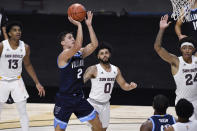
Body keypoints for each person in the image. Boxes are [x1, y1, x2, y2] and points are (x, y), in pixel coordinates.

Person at [53, 11, 102, 131]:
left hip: (79, 97)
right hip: (65, 99)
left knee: (98, 125)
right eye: (70, 38)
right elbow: (78, 45)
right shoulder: (63, 55)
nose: (73, 39)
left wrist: (89, 25)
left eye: (73, 37)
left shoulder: (79, 53)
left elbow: (95, 44)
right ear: (62, 43)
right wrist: (79, 25)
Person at [0, 21, 45, 131]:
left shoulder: (25, 47)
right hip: (2, 81)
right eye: (15, 30)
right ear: (9, 33)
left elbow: (28, 65)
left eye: (19, 30)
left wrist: (37, 83)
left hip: (17, 81)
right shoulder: (2, 46)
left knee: (22, 111)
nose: (18, 32)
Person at [83, 43, 137, 131]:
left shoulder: (116, 69)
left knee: (102, 129)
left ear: (109, 54)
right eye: (102, 53)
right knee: (98, 127)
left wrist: (130, 86)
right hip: (93, 104)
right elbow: (80, 82)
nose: (104, 55)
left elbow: (124, 85)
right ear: (98, 56)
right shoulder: (93, 69)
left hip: (105, 105)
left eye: (106, 53)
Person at [154, 14, 197, 120]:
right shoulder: (176, 61)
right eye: (185, 48)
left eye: (190, 48)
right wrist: (161, 29)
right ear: (181, 50)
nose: (187, 50)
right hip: (183, 101)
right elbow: (158, 48)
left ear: (193, 50)